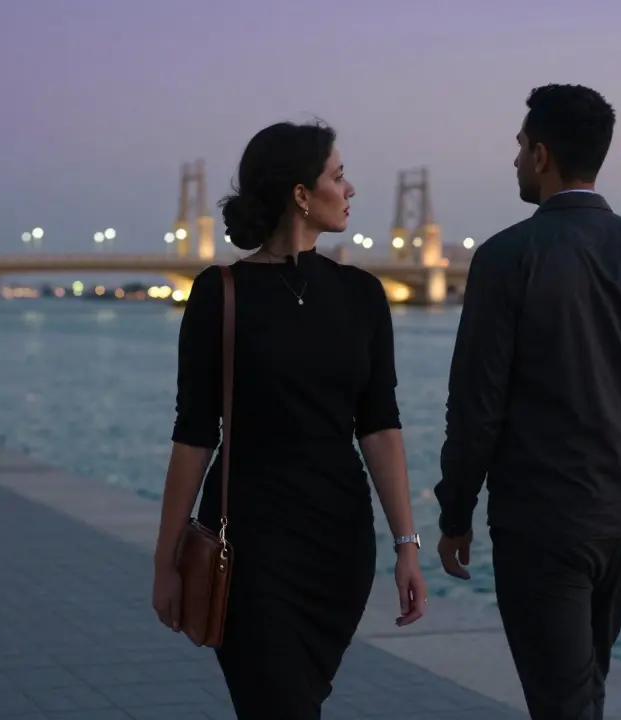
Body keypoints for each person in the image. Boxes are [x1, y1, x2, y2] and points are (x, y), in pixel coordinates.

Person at [433, 84, 621, 720]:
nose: (515, 160)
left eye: (520, 147)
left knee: (563, 701)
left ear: (542, 155)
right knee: (581, 689)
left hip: (542, 523)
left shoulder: (504, 258)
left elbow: (475, 407)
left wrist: (455, 512)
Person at [150, 120, 428, 719]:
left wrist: (407, 545)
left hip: (339, 545)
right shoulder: (219, 293)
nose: (350, 188)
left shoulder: (362, 295)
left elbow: (379, 426)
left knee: (298, 702)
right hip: (248, 546)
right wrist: (165, 560)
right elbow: (194, 435)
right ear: (302, 194)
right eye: (337, 175)